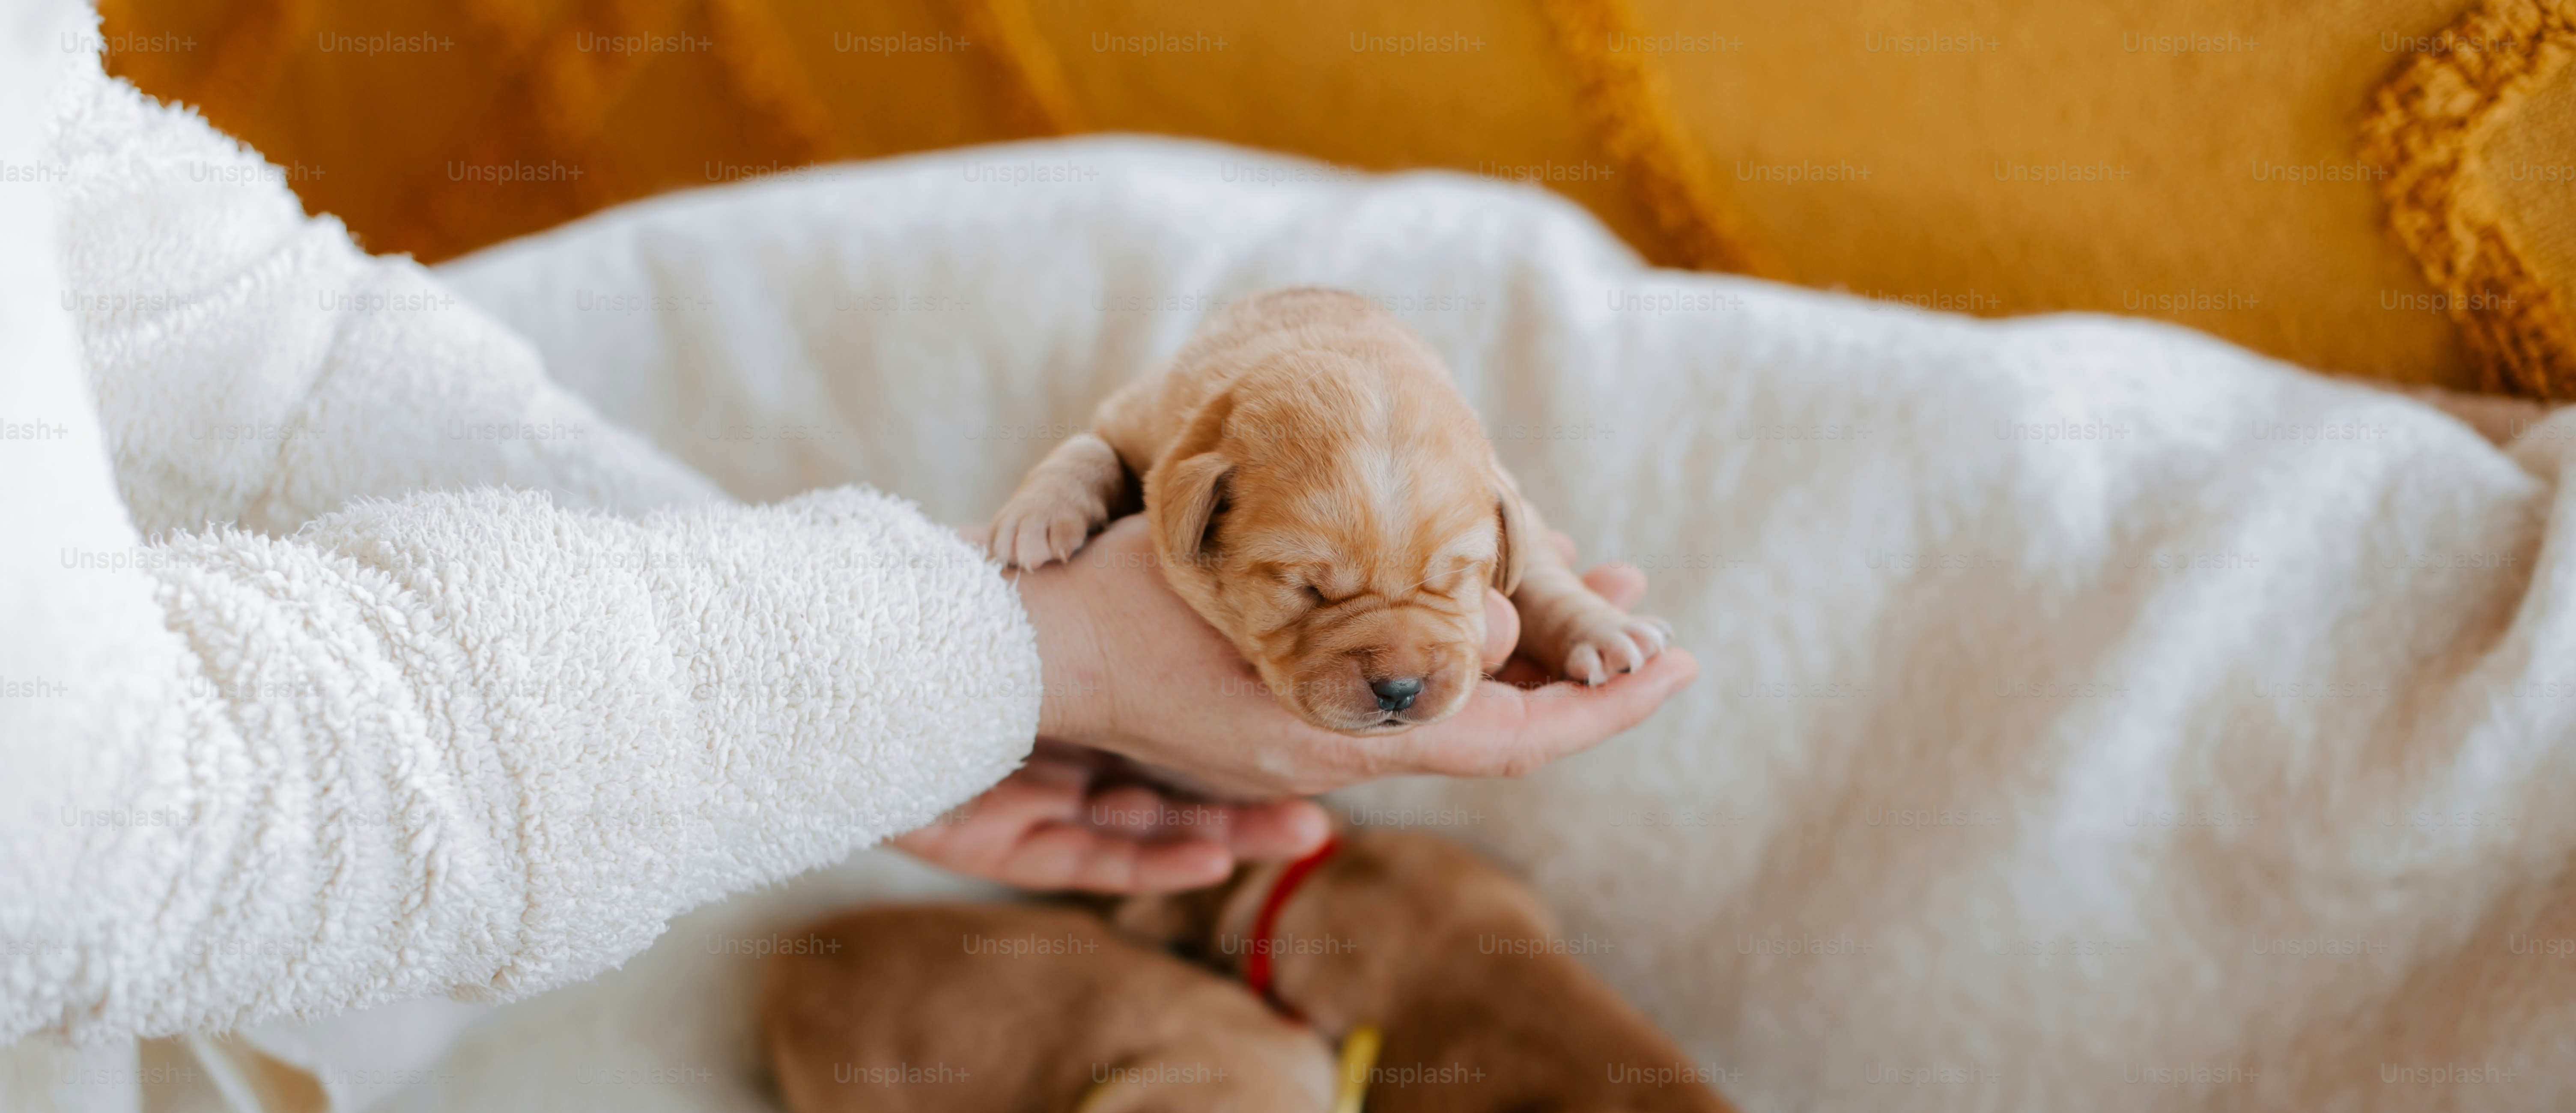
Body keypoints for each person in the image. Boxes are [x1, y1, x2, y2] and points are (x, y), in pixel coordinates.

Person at [0, 22, 1691, 1052]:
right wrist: (1005, 646)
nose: (1398, 649)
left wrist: (869, 689)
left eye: (1444, 584)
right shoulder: (1169, 448)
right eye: (1317, 591)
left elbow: (136, 243)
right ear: (1196, 509)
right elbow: (81, 842)